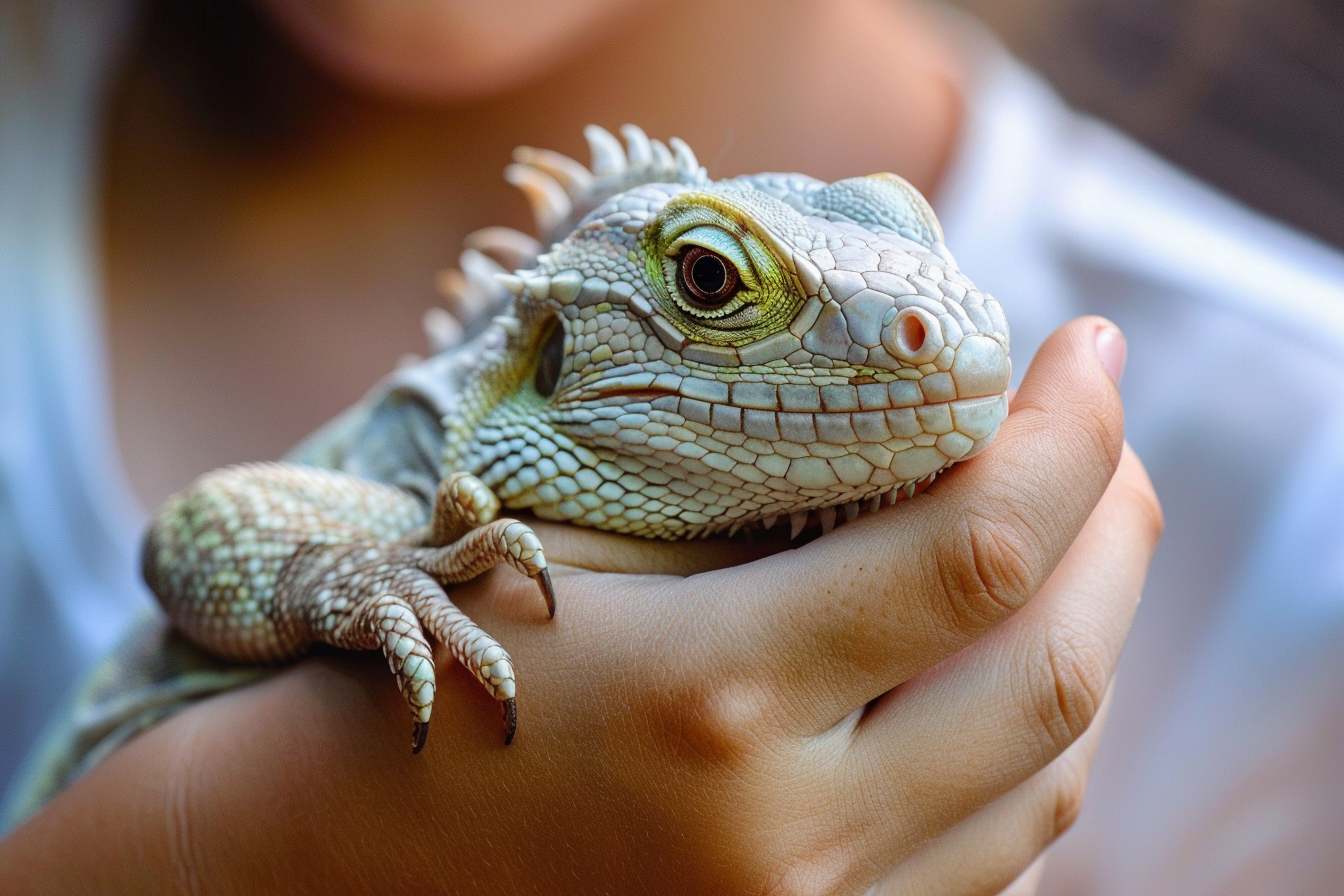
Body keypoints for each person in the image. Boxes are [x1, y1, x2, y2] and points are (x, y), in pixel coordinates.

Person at [1, 0, 1337, 893]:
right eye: (712, 286)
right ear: (566, 356)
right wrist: (214, 845)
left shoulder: (1300, 501)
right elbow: (199, 535)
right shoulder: (403, 493)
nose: (920, 340)